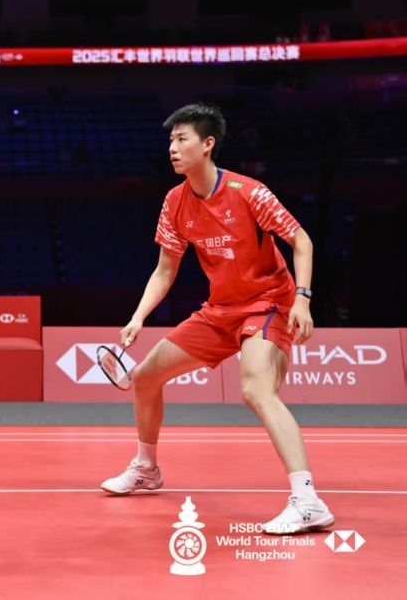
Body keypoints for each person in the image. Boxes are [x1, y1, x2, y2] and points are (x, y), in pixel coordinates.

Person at [99, 102, 334, 535]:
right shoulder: (175, 201)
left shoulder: (249, 192)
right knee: (146, 377)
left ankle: (308, 501)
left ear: (207, 144)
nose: (172, 148)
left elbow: (302, 241)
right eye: (170, 140)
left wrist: (302, 299)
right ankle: (147, 468)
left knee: (256, 389)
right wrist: (138, 317)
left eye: (181, 139)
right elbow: (164, 270)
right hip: (220, 310)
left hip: (268, 304)